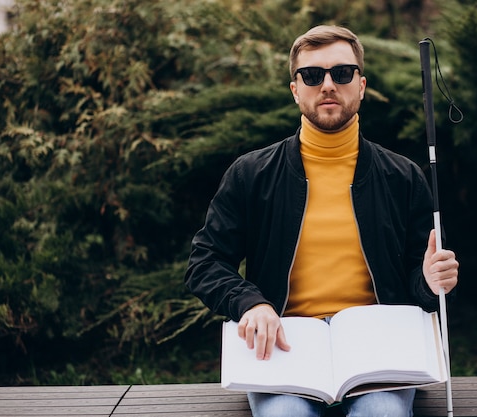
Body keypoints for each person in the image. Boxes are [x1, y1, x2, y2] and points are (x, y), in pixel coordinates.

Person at [185, 25, 459, 417]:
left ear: (361, 85)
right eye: (312, 75)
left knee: (382, 414)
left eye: (342, 73)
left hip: (379, 350)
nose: (328, 84)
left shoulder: (403, 177)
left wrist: (432, 283)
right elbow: (205, 262)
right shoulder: (251, 174)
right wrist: (249, 303)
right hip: (285, 347)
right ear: (296, 89)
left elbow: (421, 286)